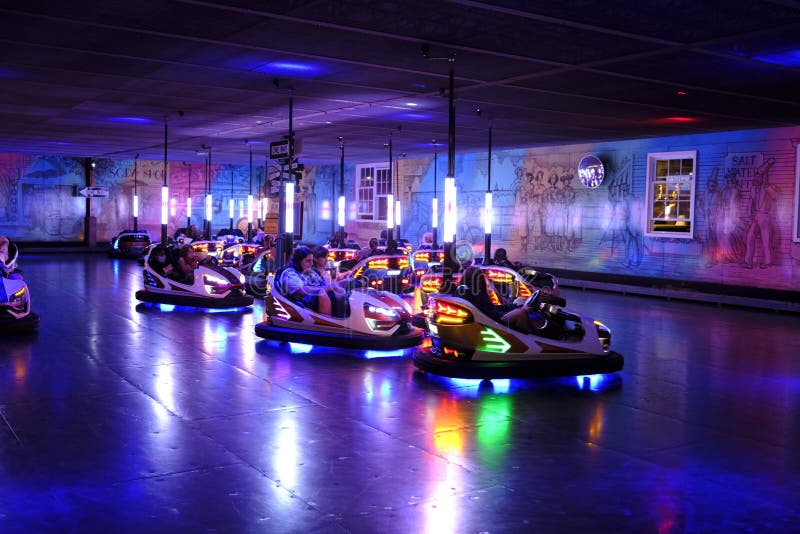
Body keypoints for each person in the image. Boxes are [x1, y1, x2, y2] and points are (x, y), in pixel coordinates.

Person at [278, 246, 332, 315]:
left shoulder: (311, 272)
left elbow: (324, 285)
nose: (312, 264)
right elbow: (301, 291)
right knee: (322, 293)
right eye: (308, 261)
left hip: (312, 301)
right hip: (301, 306)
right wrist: (323, 288)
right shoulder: (290, 273)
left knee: (336, 294)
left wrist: (338, 284)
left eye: (312, 261)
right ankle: (328, 324)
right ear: (298, 261)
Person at [305, 246, 347, 316]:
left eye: (327, 257)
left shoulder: (326, 273)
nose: (326, 260)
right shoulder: (312, 273)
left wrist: (341, 280)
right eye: (324, 257)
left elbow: (331, 285)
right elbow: (320, 289)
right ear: (315, 259)